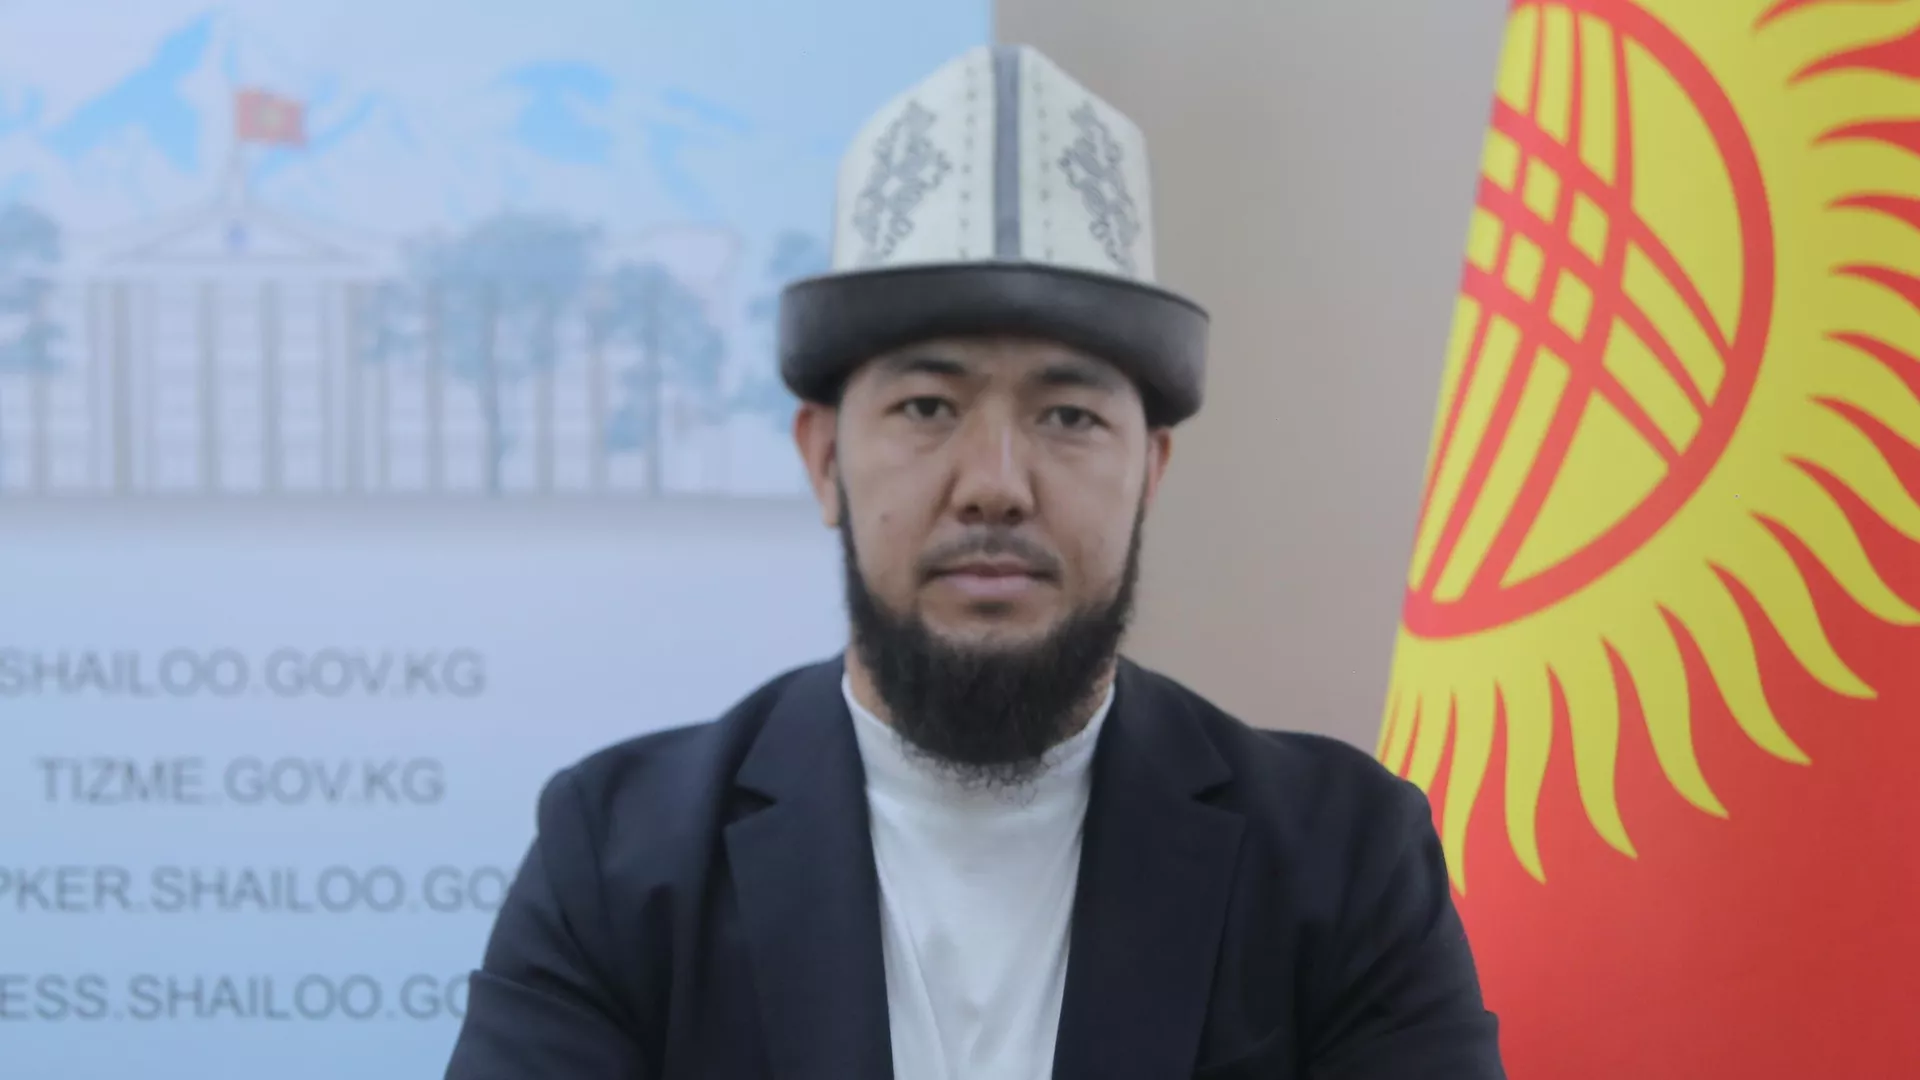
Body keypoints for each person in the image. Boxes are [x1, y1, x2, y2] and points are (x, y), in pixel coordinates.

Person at [443, 43, 1505, 1080]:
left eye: (1068, 415)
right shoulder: (620, 859)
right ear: (824, 460)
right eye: (927, 407)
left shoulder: (1341, 862)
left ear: (1150, 471)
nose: (996, 483)